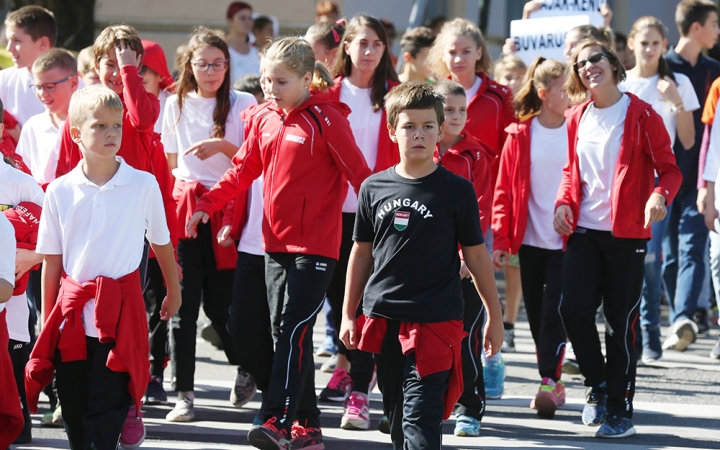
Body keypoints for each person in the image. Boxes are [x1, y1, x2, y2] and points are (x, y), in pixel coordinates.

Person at [187, 37, 372, 450]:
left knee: (293, 332)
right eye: (267, 80)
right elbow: (241, 171)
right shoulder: (262, 116)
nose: (270, 88)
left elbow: (361, 176)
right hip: (274, 246)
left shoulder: (328, 119)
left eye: (281, 81)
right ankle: (308, 424)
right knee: (282, 335)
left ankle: (275, 416)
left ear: (308, 79)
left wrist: (394, 222)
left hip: (318, 248)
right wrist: (207, 203)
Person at [339, 81, 504, 450]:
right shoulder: (373, 187)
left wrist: (494, 314)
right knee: (398, 416)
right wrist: (349, 313)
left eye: (428, 126)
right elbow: (361, 253)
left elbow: (476, 255)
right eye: (409, 126)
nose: (419, 134)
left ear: (440, 129)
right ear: (392, 130)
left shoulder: (456, 190)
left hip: (437, 319)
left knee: (421, 416)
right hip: (384, 316)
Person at [26, 85, 181, 450]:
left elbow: (161, 242)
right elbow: (52, 259)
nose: (111, 133)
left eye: (116, 125)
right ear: (76, 133)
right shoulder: (60, 190)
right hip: (73, 320)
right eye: (100, 126)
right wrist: (50, 316)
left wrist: (174, 291)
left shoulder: (143, 184)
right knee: (76, 410)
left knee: (106, 408)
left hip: (121, 317)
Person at [555, 40, 681, 438]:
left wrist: (659, 195)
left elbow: (670, 170)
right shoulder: (576, 116)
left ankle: (619, 409)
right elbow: (570, 171)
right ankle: (597, 385)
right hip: (584, 231)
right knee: (572, 310)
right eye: (581, 63)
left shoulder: (642, 114)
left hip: (626, 235)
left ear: (612, 63)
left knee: (618, 322)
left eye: (596, 58)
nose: (589, 66)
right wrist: (563, 202)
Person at [162, 26, 257, 422]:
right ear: (190, 65)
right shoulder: (175, 104)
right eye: (203, 63)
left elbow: (254, 157)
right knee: (183, 306)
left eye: (219, 63)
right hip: (187, 207)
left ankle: (248, 366)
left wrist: (222, 147)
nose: (212, 71)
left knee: (224, 308)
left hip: (227, 206)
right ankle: (184, 391)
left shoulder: (243, 101)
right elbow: (170, 162)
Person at [321, 14, 400, 431]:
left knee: (368, 307)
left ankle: (358, 393)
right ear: (345, 47)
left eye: (376, 44)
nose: (369, 51)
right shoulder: (327, 94)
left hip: (382, 217)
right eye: (362, 43)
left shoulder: (397, 94)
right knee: (339, 304)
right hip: (332, 213)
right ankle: (344, 372)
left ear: (386, 50)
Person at [429, 17, 514, 398]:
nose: (459, 58)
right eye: (452, 51)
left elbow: (510, 154)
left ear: (480, 53)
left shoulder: (498, 97)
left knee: (477, 299)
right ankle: (435, 386)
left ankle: (485, 365)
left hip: (481, 210)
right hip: (434, 225)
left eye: (467, 51)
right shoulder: (428, 100)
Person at [492, 57, 570, 419]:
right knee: (537, 314)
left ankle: (547, 380)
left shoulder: (578, 129)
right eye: (564, 89)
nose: (572, 95)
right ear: (543, 94)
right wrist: (502, 241)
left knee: (555, 310)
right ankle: (553, 380)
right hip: (530, 240)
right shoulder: (520, 134)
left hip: (569, 240)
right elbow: (504, 190)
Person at [619, 16, 700, 363]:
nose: (650, 49)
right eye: (644, 43)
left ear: (665, 45)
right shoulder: (622, 84)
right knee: (623, 258)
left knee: (651, 259)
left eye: (656, 43)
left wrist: (676, 102)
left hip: (657, 183)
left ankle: (651, 331)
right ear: (632, 45)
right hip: (624, 182)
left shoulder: (677, 81)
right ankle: (629, 331)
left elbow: (688, 139)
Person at [432, 79, 495, 436]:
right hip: (428, 265)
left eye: (462, 110)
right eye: (449, 110)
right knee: (429, 338)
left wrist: (462, 255)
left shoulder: (476, 155)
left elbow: (480, 210)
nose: (456, 117)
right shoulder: (423, 148)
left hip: (465, 265)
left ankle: (470, 406)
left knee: (467, 335)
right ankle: (427, 403)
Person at [664, 0, 720, 352]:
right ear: (696, 27)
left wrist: (707, 183)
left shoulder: (715, 69)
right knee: (668, 255)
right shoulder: (663, 66)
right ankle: (677, 319)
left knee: (693, 249)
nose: (718, 31)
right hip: (667, 174)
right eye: (714, 24)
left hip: (703, 175)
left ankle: (683, 315)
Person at [0, 144, 44, 446]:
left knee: (13, 362)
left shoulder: (21, 182)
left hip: (12, 300)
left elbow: (56, 235)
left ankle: (21, 422)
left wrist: (30, 258)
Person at [16, 49, 79, 189]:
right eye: (38, 87)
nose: (42, 94)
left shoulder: (87, 125)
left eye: (49, 87)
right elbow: (22, 173)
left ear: (73, 83)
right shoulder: (33, 126)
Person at [0, 5, 56, 128]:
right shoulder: (3, 80)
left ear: (42, 43)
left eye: (17, 41)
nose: (9, 48)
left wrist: (20, 138)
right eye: (9, 41)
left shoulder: (72, 84)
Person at [140, 40, 176, 135]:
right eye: (132, 83)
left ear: (160, 76)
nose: (137, 88)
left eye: (144, 82)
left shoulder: (173, 104)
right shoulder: (122, 103)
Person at [225, 2, 261, 83]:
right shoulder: (223, 52)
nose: (247, 22)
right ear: (230, 21)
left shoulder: (257, 52)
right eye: (242, 18)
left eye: (250, 18)